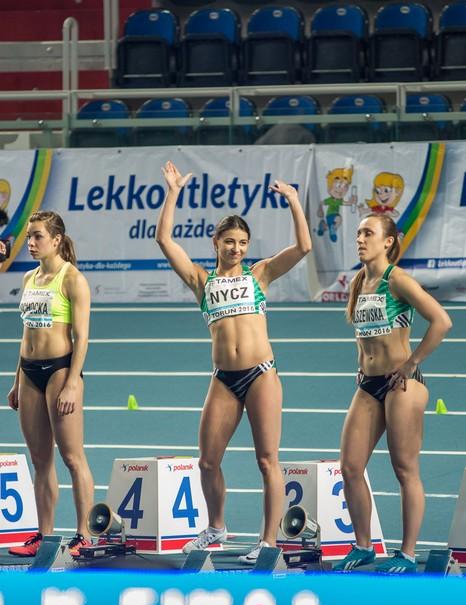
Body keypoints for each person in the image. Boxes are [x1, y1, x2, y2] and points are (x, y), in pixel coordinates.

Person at [156, 161, 312, 563]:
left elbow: (303, 248)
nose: (236, 248)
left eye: (242, 242)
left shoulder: (260, 275)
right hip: (224, 378)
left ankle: (268, 543)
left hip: (261, 375)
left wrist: (294, 202)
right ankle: (216, 528)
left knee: (267, 460)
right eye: (229, 242)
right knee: (208, 461)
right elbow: (164, 239)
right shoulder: (202, 281)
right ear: (216, 242)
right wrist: (173, 193)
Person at [335, 213, 452, 574]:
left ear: (388, 242)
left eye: (367, 233)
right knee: (350, 467)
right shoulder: (359, 281)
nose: (360, 239)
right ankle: (363, 546)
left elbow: (442, 321)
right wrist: (362, 364)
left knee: (404, 468)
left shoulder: (396, 279)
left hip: (403, 384)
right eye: (358, 233)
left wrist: (411, 362)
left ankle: (407, 553)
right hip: (369, 384)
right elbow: (364, 334)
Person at [7, 211, 95, 557]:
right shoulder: (29, 278)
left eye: (37, 236)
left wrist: (72, 383)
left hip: (60, 370)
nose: (30, 242)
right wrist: (16, 380)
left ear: (56, 240)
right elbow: (26, 333)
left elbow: (82, 337)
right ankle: (43, 538)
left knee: (72, 457)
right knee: (40, 459)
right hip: (29, 373)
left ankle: (84, 535)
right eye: (29, 236)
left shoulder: (72, 279)